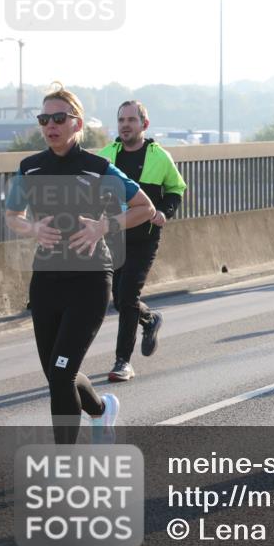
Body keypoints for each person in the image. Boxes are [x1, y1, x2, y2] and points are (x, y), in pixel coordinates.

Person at [4, 83, 155, 444]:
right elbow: (12, 215)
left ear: (77, 123)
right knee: (57, 374)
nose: (50, 125)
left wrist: (105, 226)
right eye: (44, 119)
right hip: (46, 281)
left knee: (61, 375)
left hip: (89, 281)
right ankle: (101, 410)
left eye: (59, 118)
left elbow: (145, 208)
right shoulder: (30, 168)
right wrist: (32, 228)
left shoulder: (98, 167)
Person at [97, 101, 187, 382]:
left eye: (131, 120)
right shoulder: (106, 156)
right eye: (121, 120)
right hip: (114, 238)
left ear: (144, 124)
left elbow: (176, 189)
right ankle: (149, 319)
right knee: (120, 298)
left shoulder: (160, 157)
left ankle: (123, 361)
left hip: (144, 238)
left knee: (127, 296)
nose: (125, 125)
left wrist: (164, 212)